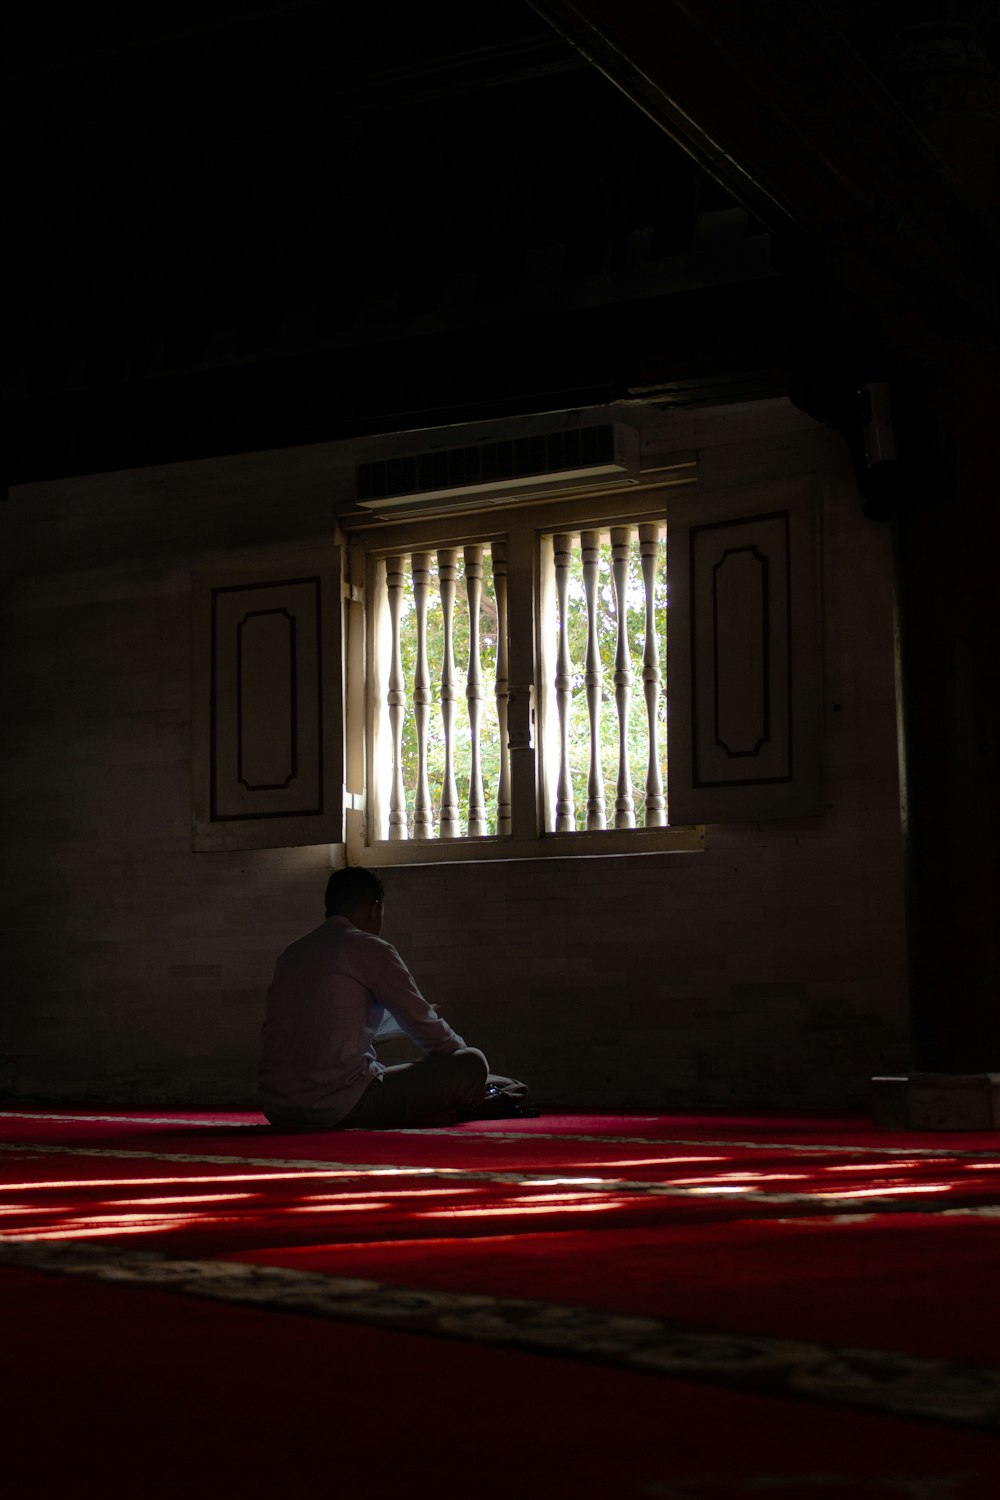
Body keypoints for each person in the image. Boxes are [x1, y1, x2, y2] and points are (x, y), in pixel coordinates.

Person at [259, 866, 491, 1129]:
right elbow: (425, 1027)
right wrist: (465, 1069)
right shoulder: (369, 947)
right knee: (472, 1063)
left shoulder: (291, 953)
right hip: (340, 1105)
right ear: (374, 908)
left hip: (279, 1108)